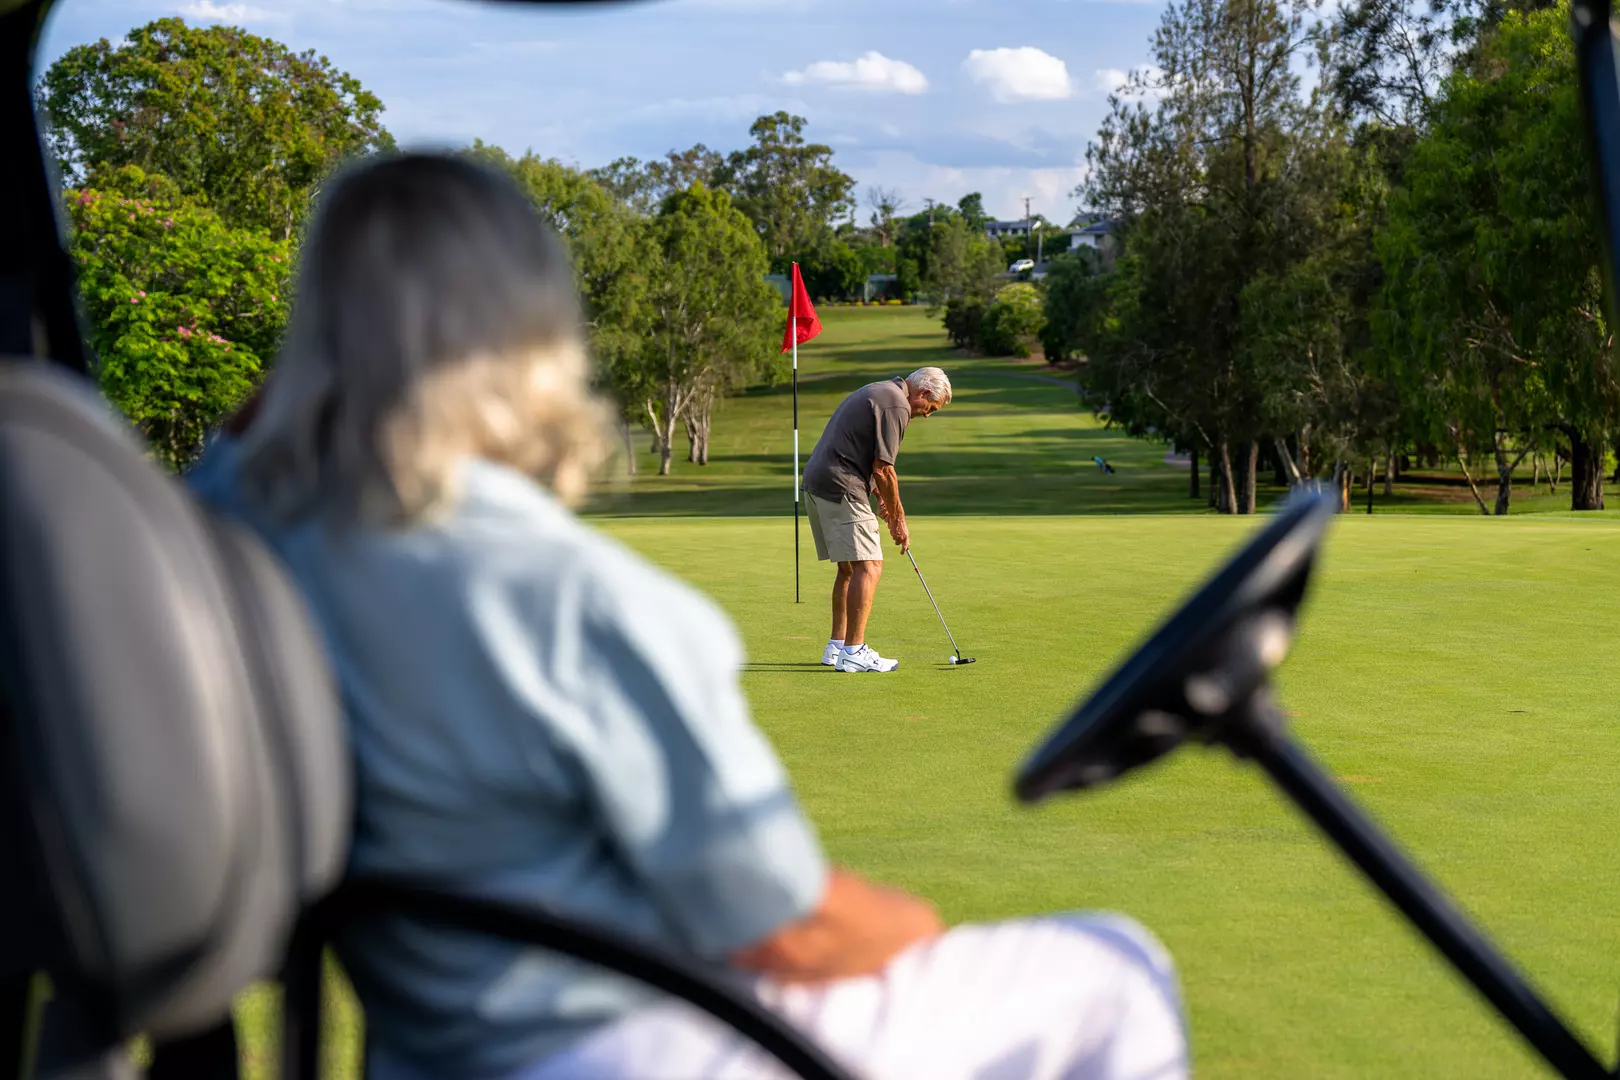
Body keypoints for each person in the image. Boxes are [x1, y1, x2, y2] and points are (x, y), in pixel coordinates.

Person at [188, 151, 1188, 1080]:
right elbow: (785, 925)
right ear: (537, 332)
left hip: (417, 1047)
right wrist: (918, 927)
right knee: (1117, 970)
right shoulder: (576, 601)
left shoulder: (227, 523)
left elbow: (254, 429)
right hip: (627, 1042)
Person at [801, 370, 949, 673]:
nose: (928, 415)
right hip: (841, 484)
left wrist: (881, 498)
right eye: (931, 408)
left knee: (849, 567)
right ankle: (854, 651)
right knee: (869, 565)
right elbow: (884, 469)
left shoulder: (882, 390)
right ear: (923, 394)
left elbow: (868, 457)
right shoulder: (897, 405)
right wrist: (898, 518)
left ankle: (838, 646)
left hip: (820, 481)